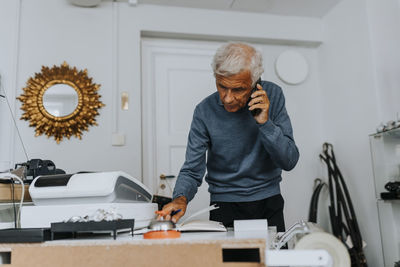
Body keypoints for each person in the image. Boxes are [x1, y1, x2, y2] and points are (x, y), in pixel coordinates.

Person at [156, 42, 299, 232]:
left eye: (238, 89)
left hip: (268, 202)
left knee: (271, 261)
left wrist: (265, 123)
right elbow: (192, 170)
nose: (228, 98)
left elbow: (289, 161)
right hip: (224, 205)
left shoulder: (273, 95)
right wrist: (180, 198)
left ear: (256, 84)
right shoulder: (204, 111)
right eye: (222, 86)